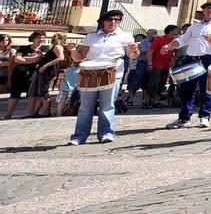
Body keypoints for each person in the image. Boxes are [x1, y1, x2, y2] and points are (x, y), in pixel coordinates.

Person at [69, 10, 138, 144]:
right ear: (103, 21)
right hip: (90, 73)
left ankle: (106, 133)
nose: (113, 22)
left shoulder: (125, 36)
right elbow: (79, 57)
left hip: (113, 73)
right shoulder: (91, 37)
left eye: (117, 20)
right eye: (110, 19)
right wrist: (72, 50)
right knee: (85, 106)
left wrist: (134, 49)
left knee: (107, 105)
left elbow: (132, 55)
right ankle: (79, 136)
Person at [165, 1, 211, 129]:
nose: (210, 10)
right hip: (191, 59)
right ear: (204, 11)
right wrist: (171, 45)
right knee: (185, 89)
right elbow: (183, 39)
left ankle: (205, 116)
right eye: (208, 8)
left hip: (209, 58)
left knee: (207, 89)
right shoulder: (195, 26)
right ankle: (184, 117)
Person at [29, 31, 64, 118]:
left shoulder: (58, 46)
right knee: (41, 91)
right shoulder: (55, 47)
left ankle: (46, 111)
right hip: (46, 70)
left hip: (48, 71)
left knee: (44, 91)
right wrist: (42, 54)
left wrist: (45, 65)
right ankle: (38, 112)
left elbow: (61, 58)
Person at [146, 26, 176, 108]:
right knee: (153, 83)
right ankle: (147, 101)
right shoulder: (160, 39)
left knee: (161, 84)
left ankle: (156, 101)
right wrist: (149, 63)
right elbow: (150, 51)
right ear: (171, 31)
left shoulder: (174, 41)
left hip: (166, 66)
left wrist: (172, 61)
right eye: (176, 30)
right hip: (156, 65)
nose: (177, 31)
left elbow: (172, 52)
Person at [54, 47, 80, 117]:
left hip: (64, 87)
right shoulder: (81, 71)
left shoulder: (68, 70)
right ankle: (67, 111)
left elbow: (63, 78)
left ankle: (59, 113)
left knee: (61, 101)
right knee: (69, 102)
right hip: (74, 89)